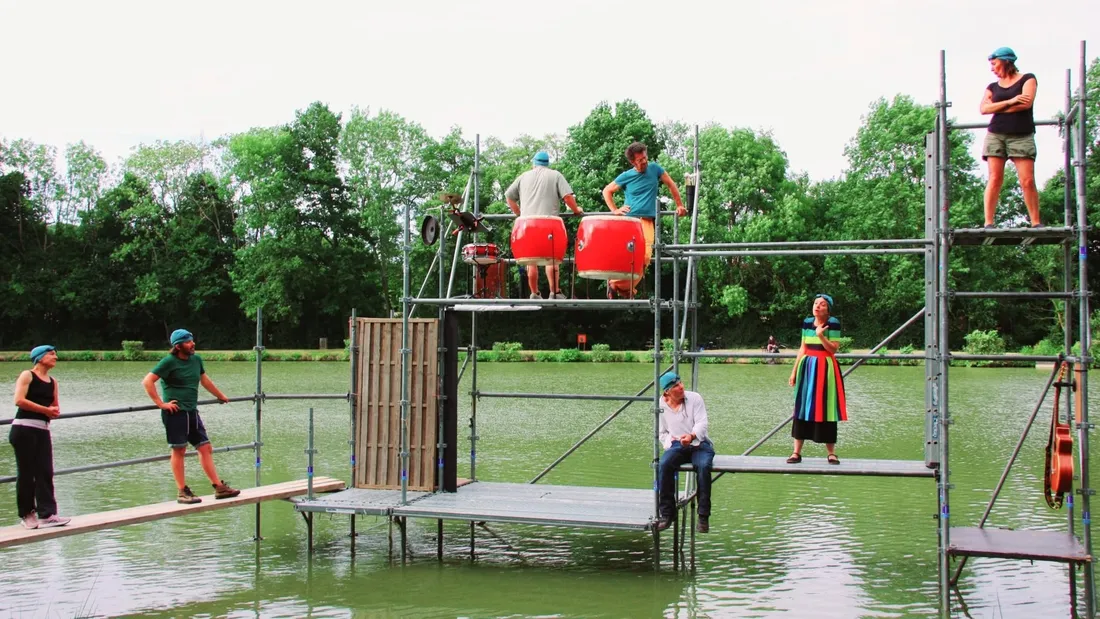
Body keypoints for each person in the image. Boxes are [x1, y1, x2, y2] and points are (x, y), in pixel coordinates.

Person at [142, 329, 241, 504]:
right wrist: (161, 404)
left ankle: (219, 487)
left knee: (205, 447)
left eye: (192, 340)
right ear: (178, 346)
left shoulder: (196, 360)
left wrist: (220, 395)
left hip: (192, 411)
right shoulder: (168, 362)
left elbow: (204, 380)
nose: (192, 344)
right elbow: (147, 381)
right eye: (188, 342)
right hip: (175, 413)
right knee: (179, 450)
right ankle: (182, 491)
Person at [601, 142, 688, 298]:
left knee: (645, 257)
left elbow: (671, 184)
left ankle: (616, 285)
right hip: (629, 221)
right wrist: (615, 210)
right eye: (640, 160)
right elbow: (607, 191)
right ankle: (624, 289)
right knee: (628, 257)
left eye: (645, 158)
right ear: (633, 162)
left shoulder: (655, 169)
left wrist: (680, 205)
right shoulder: (627, 176)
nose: (644, 162)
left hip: (646, 221)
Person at [505, 151, 584, 300]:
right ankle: (555, 292)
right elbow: (567, 197)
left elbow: (509, 197)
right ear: (548, 164)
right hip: (549, 224)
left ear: (533, 163)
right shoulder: (555, 175)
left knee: (531, 261)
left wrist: (520, 214)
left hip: (527, 226)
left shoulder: (523, 177)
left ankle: (535, 293)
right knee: (552, 259)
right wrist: (576, 210)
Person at [9, 345, 71, 529]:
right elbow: (19, 400)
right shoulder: (27, 375)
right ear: (40, 357)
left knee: (45, 472)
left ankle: (48, 514)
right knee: (27, 473)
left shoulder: (53, 381)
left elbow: (55, 406)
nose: (56, 357)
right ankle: (27, 514)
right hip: (23, 429)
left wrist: (53, 411)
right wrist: (46, 410)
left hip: (42, 430)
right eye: (52, 354)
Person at [980, 46, 1040, 227]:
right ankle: (988, 222)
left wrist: (998, 107)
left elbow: (1026, 103)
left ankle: (1036, 222)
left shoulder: (1028, 79)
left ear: (1006, 61)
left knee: (1027, 180)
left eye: (994, 64)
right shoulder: (992, 87)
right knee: (995, 178)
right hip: (996, 134)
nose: (992, 68)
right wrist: (1011, 101)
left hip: (1022, 135)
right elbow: (983, 109)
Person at [788, 294, 848, 464]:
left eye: (822, 304)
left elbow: (833, 350)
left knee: (826, 407)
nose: (817, 306)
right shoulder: (807, 322)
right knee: (802, 407)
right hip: (806, 368)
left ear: (828, 309)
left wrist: (821, 336)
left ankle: (831, 453)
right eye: (815, 303)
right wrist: (793, 372)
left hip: (826, 368)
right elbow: (802, 348)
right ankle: (796, 452)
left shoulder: (833, 323)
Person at [656, 371, 715, 533]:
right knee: (665, 464)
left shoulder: (695, 398)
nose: (681, 387)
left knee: (703, 466)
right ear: (667, 391)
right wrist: (673, 442)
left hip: (699, 444)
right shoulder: (660, 405)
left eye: (680, 383)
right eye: (676, 386)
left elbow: (702, 423)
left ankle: (703, 516)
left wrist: (691, 436)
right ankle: (667, 514)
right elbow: (662, 433)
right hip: (677, 446)